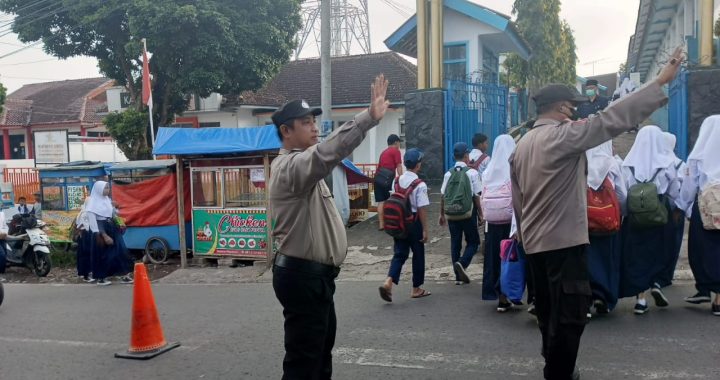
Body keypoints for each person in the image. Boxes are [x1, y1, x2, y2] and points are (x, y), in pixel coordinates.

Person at [510, 47, 682, 380]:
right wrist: (658, 84)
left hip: (533, 244)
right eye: (573, 108)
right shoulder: (561, 136)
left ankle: (556, 365)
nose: (576, 113)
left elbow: (518, 200)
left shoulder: (522, 145)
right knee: (572, 314)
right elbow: (609, 121)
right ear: (562, 108)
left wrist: (525, 236)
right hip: (563, 243)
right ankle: (557, 372)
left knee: (549, 312)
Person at [269, 75, 390, 380]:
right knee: (304, 364)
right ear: (286, 131)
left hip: (314, 278)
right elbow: (326, 154)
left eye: (314, 121)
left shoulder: (302, 169)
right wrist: (366, 119)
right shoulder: (290, 167)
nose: (314, 127)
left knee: (319, 357)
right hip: (302, 277)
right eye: (306, 122)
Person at [618, 126, 682, 314]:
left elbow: (624, 191)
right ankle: (656, 283)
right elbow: (674, 190)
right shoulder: (667, 163)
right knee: (660, 250)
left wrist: (625, 213)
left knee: (637, 255)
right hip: (660, 215)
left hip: (636, 218)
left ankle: (641, 300)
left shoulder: (628, 163)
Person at [676, 115, 720, 316]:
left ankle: (706, 289)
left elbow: (689, 184)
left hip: (706, 208)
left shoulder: (699, 155)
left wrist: (683, 207)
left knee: (702, 250)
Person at [378, 148, 431, 301]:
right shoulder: (419, 185)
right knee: (418, 254)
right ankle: (416, 288)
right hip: (413, 222)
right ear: (418, 165)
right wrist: (425, 230)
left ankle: (388, 282)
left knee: (400, 253)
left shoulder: (397, 180)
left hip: (399, 221)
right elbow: (421, 209)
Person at [585, 141, 627, 315]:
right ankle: (603, 297)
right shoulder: (613, 163)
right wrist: (620, 213)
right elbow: (622, 194)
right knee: (607, 259)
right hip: (608, 221)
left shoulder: (581, 163)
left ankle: (586, 298)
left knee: (586, 259)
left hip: (585, 221)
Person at [479, 134, 516, 311]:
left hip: (491, 223)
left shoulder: (488, 170)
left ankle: (496, 293)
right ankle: (509, 293)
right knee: (511, 257)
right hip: (510, 223)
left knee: (494, 257)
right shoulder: (514, 169)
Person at [439, 142, 482, 285]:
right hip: (468, 213)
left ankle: (458, 277)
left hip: (451, 213)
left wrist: (441, 214)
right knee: (474, 242)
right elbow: (476, 196)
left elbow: (443, 195)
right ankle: (462, 264)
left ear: (453, 156)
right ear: (465, 156)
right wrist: (481, 214)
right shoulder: (472, 173)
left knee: (455, 243)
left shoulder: (448, 173)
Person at [83, 181, 133, 286]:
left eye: (108, 188)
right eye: (105, 188)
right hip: (100, 231)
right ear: (99, 189)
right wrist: (103, 235)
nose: (108, 190)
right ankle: (101, 277)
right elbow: (94, 222)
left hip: (112, 228)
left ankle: (123, 275)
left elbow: (112, 215)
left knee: (120, 251)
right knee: (103, 255)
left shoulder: (107, 200)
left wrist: (120, 222)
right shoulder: (92, 204)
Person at [375, 134, 404, 230]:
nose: (399, 145)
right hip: (387, 179)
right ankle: (389, 222)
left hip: (378, 178)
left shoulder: (383, 152)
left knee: (381, 202)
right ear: (396, 142)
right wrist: (401, 178)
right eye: (399, 143)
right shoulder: (396, 151)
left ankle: (381, 225)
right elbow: (399, 166)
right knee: (390, 201)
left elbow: (380, 166)